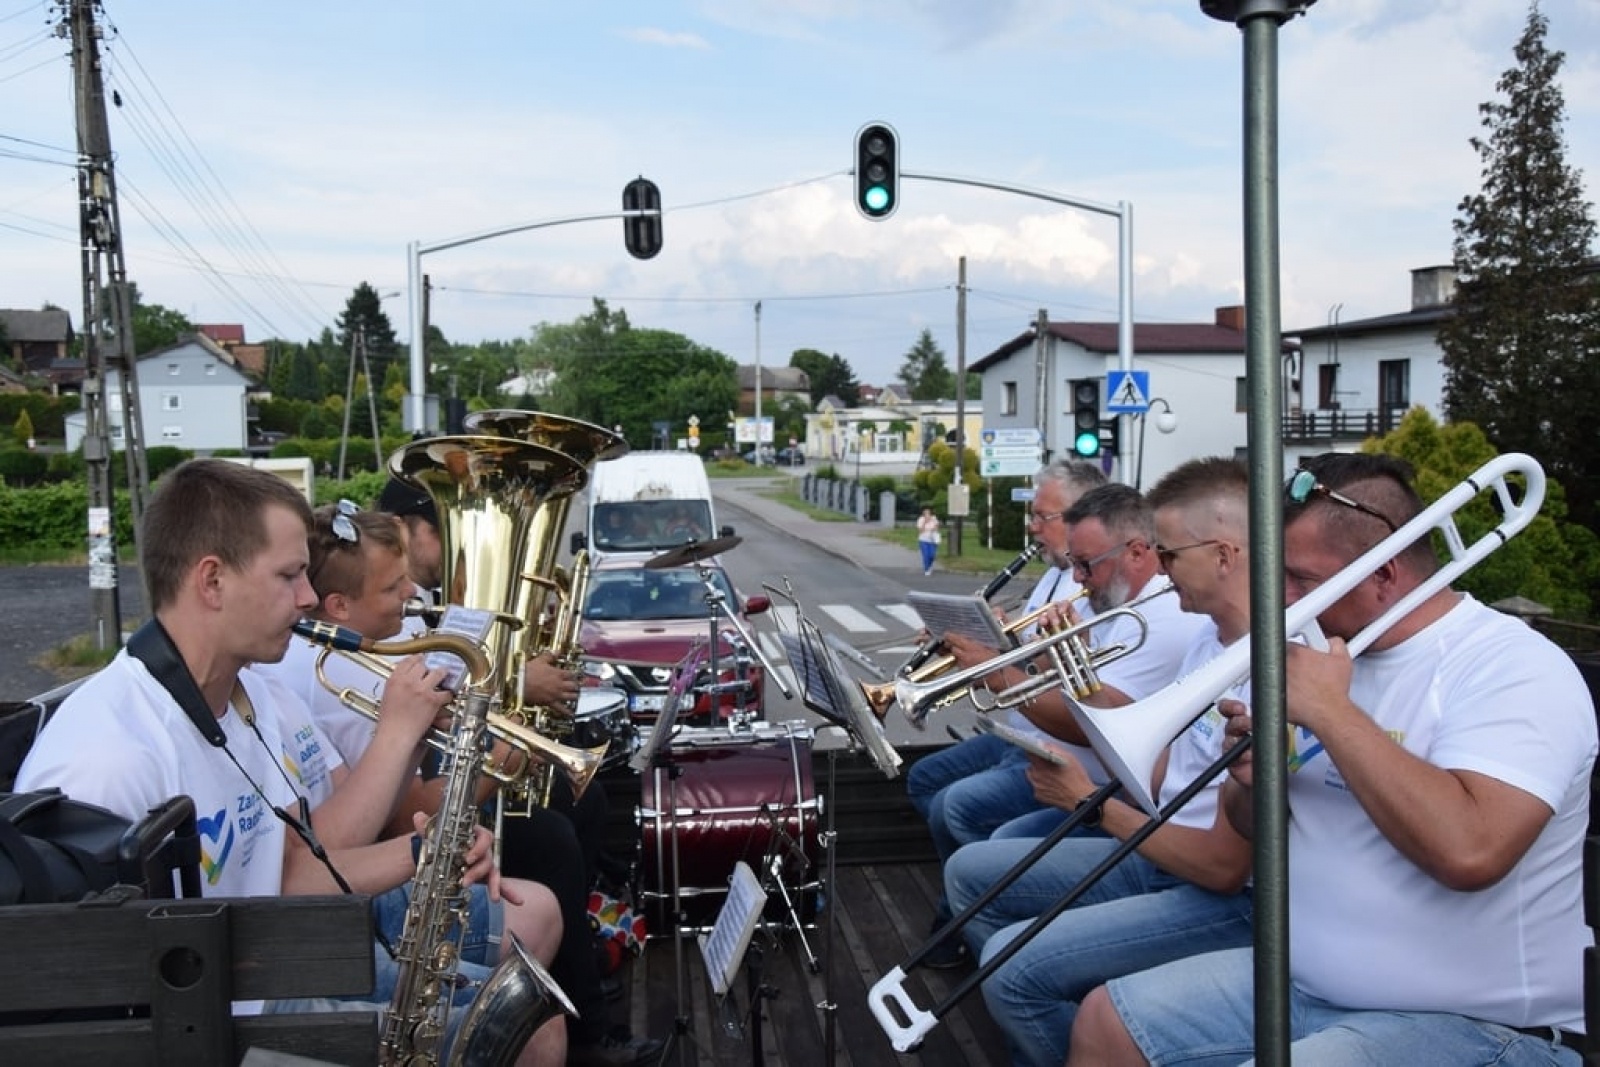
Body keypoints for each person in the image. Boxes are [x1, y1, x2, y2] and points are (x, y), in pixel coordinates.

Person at [15, 459, 567, 1065]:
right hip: (222, 1029)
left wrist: (425, 851)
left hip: (273, 971)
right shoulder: (107, 759)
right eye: (289, 576)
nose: (309, 599)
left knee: (528, 1019)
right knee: (531, 1039)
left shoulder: (247, 696)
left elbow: (292, 872)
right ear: (212, 582)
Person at [1068, 452, 1597, 1067]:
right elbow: (1249, 828)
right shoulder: (1324, 655)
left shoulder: (1512, 667)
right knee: (1107, 1024)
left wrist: (1333, 714)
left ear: (1385, 574)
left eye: (1302, 581)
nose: (1280, 601)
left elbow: (1471, 851)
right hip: (1311, 989)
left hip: (1478, 1024)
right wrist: (1252, 779)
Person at [943, 458, 1256, 1067]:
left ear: (1223, 555)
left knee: (1012, 969)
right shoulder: (1207, 637)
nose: (1161, 573)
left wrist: (1090, 802)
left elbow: (1221, 868)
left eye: (1170, 556)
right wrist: (1073, 666)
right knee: (972, 874)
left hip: (1206, 882)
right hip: (1162, 842)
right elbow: (1159, 761)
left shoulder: (1256, 656)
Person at [375, 476, 661, 1065]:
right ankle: (584, 1029)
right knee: (550, 837)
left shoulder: (408, 615)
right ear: (406, 526)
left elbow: (448, 698)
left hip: (440, 785)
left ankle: (577, 967)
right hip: (421, 812)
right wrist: (517, 699)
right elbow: (405, 784)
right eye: (442, 530)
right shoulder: (391, 623)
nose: (451, 549)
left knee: (585, 802)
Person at [905, 459, 1105, 966]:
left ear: (1083, 516)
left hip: (1054, 743)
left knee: (959, 806)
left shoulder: (1089, 583)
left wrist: (995, 658)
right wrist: (972, 635)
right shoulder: (1055, 577)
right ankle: (965, 903)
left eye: (1044, 517)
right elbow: (1027, 643)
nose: (1033, 529)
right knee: (925, 780)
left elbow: (1063, 674)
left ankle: (970, 917)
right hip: (1018, 730)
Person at [917, 507, 942, 575]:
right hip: (923, 540)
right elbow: (920, 530)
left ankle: (930, 565)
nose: (927, 514)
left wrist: (934, 526)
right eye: (925, 513)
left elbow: (937, 528)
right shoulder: (921, 519)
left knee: (932, 555)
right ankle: (927, 569)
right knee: (926, 555)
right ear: (923, 514)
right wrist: (925, 522)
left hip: (932, 540)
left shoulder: (934, 518)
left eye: (928, 513)